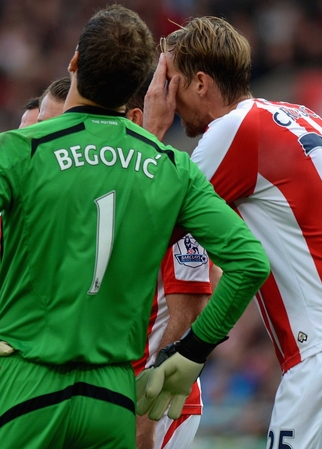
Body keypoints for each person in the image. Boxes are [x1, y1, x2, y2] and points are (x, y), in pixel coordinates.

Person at [0, 5, 270, 448]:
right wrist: (192, 355)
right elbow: (250, 263)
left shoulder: (20, 148)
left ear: (74, 63)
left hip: (20, 384)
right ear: (139, 86)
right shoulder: (173, 168)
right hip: (111, 398)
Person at [144, 16, 322, 449]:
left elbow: (145, 225)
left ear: (201, 84)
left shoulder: (232, 131)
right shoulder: (304, 118)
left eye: (171, 83)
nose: (168, 97)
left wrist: (152, 131)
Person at [122, 76, 212, 449]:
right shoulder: (114, 192)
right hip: (109, 397)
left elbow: (188, 313)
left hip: (156, 407)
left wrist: (146, 416)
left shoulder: (173, 191)